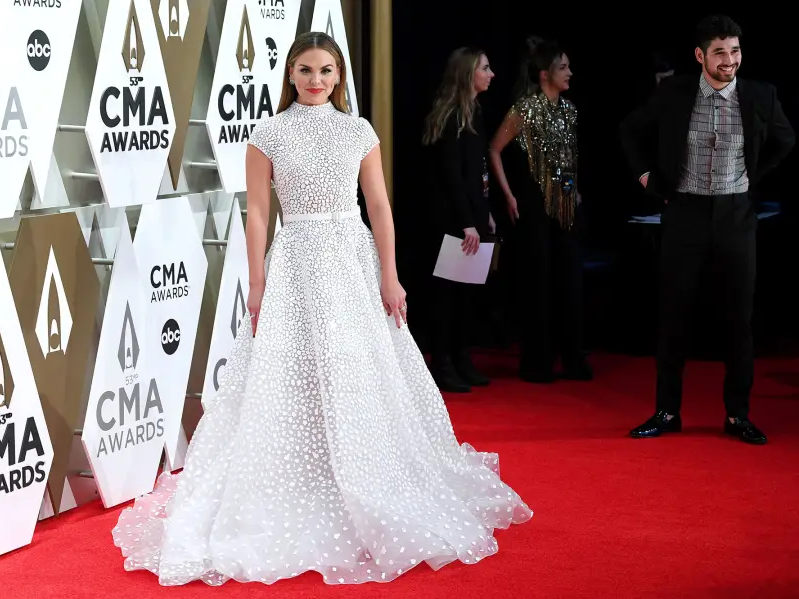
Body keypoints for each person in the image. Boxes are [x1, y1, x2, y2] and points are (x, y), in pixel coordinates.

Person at [111, 32, 532, 587]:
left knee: (359, 370)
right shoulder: (267, 134)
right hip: (295, 262)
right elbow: (258, 216)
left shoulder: (358, 132)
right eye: (306, 70)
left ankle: (364, 472)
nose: (316, 81)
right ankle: (304, 475)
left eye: (326, 71)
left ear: (339, 78)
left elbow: (379, 206)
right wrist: (256, 283)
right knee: (292, 372)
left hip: (351, 262)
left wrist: (391, 275)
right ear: (290, 74)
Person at [620, 15, 795, 445]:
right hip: (684, 215)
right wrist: (648, 180)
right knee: (674, 316)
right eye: (720, 52)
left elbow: (785, 140)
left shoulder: (760, 96)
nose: (729, 60)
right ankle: (666, 411)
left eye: (734, 51)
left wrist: (753, 177)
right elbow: (629, 131)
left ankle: (737, 415)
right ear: (701, 56)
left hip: (735, 217)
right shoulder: (674, 93)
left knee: (739, 321)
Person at [488, 37, 592, 384]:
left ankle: (574, 358)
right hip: (533, 206)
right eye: (563, 68)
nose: (570, 73)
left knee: (570, 282)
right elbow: (495, 149)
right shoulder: (524, 109)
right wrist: (508, 195)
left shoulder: (570, 110)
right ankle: (538, 362)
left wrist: (574, 190)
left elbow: (569, 157)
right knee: (539, 283)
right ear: (545, 74)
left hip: (565, 205)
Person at [420, 47, 496, 393]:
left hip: (472, 218)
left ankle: (462, 357)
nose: (491, 74)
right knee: (447, 295)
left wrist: (485, 212)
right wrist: (467, 222)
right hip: (452, 221)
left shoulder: (474, 113)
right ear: (469, 74)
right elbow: (451, 176)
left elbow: (476, 170)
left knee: (466, 295)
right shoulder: (450, 117)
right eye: (485, 68)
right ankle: (444, 363)